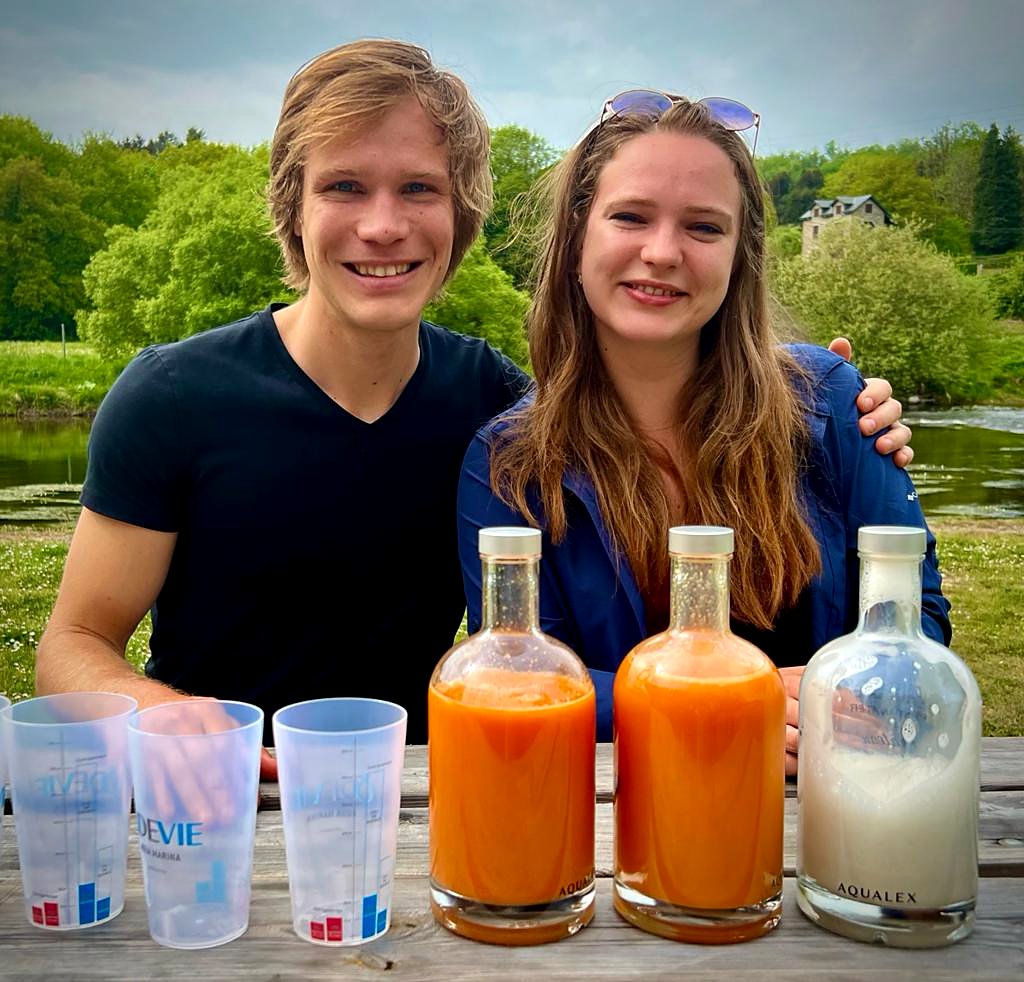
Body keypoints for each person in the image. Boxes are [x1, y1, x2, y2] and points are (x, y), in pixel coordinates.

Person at [36, 46, 909, 776]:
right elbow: (71, 643)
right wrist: (173, 720)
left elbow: (622, 407)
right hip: (213, 792)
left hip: (415, 791)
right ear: (292, 208)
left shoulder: (493, 405)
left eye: (419, 189)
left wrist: (847, 410)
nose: (384, 227)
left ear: (462, 213)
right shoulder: (172, 397)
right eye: (344, 187)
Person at [456, 91, 950, 768]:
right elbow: (518, 674)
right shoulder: (508, 462)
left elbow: (917, 615)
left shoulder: (833, 402)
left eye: (704, 227)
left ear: (739, 254)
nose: (662, 252)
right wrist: (717, 699)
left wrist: (855, 686)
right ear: (576, 238)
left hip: (832, 803)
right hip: (620, 820)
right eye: (630, 217)